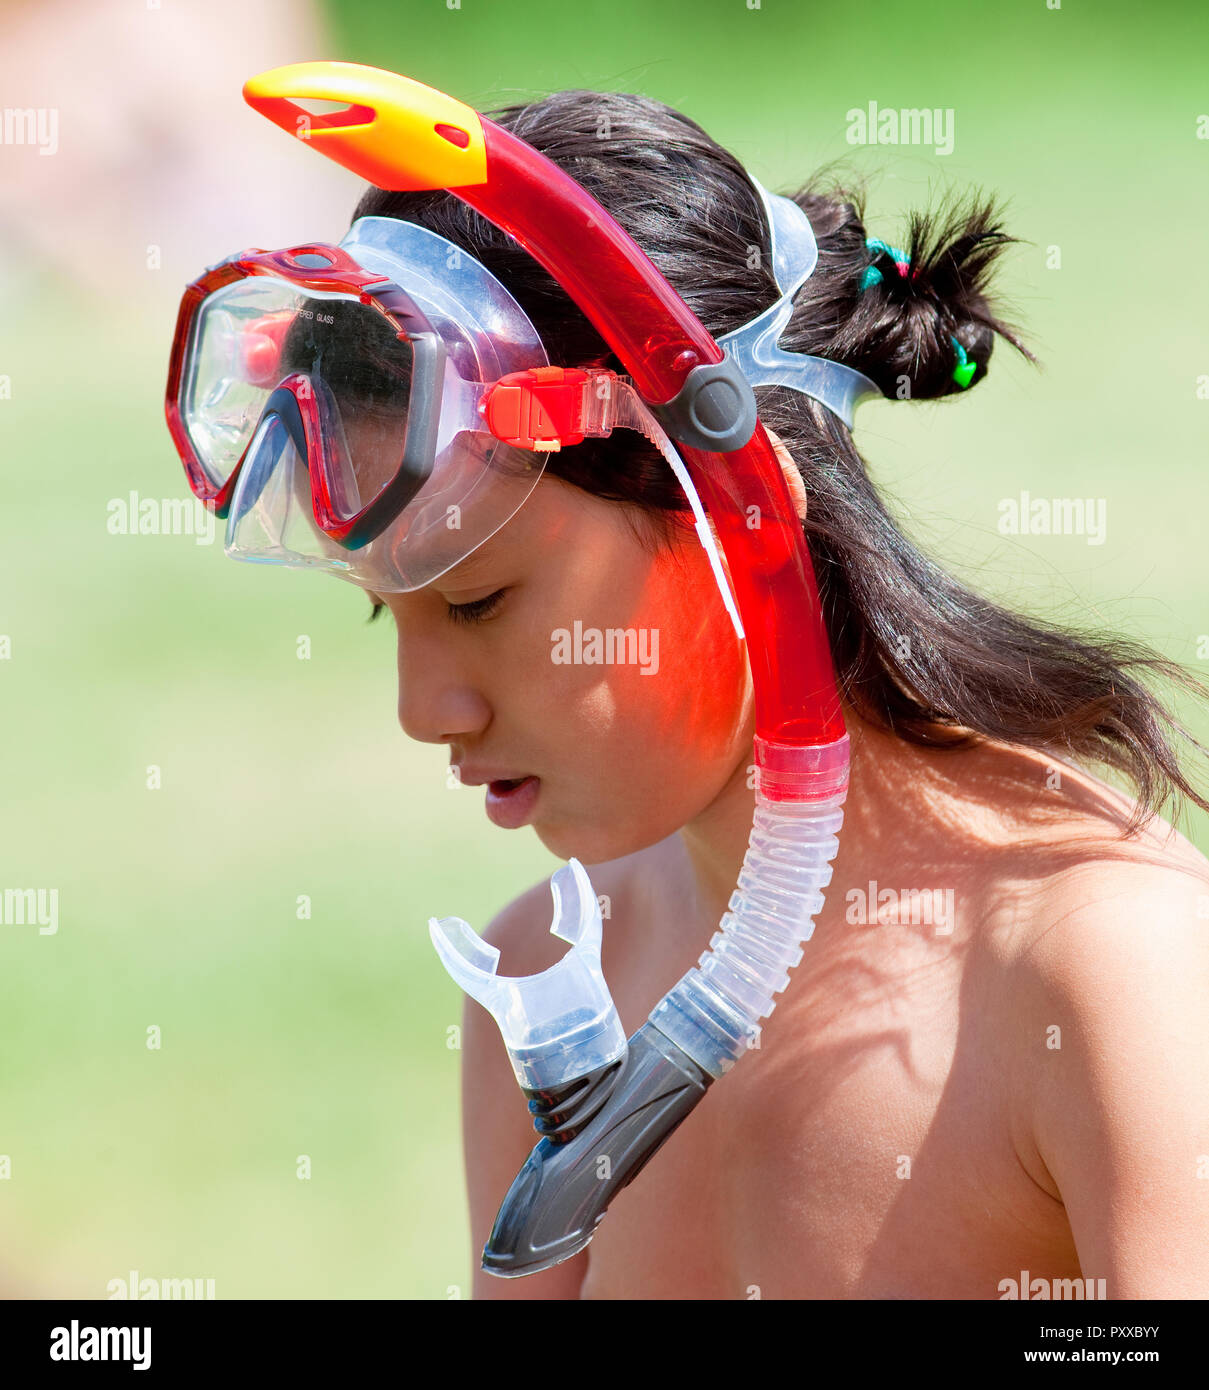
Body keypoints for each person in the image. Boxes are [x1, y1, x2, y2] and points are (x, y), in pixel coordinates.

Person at [353, 90, 1209, 1300]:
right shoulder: (544, 987)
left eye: (482, 599)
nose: (424, 707)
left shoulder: (1105, 974)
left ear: (744, 514)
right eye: (385, 610)